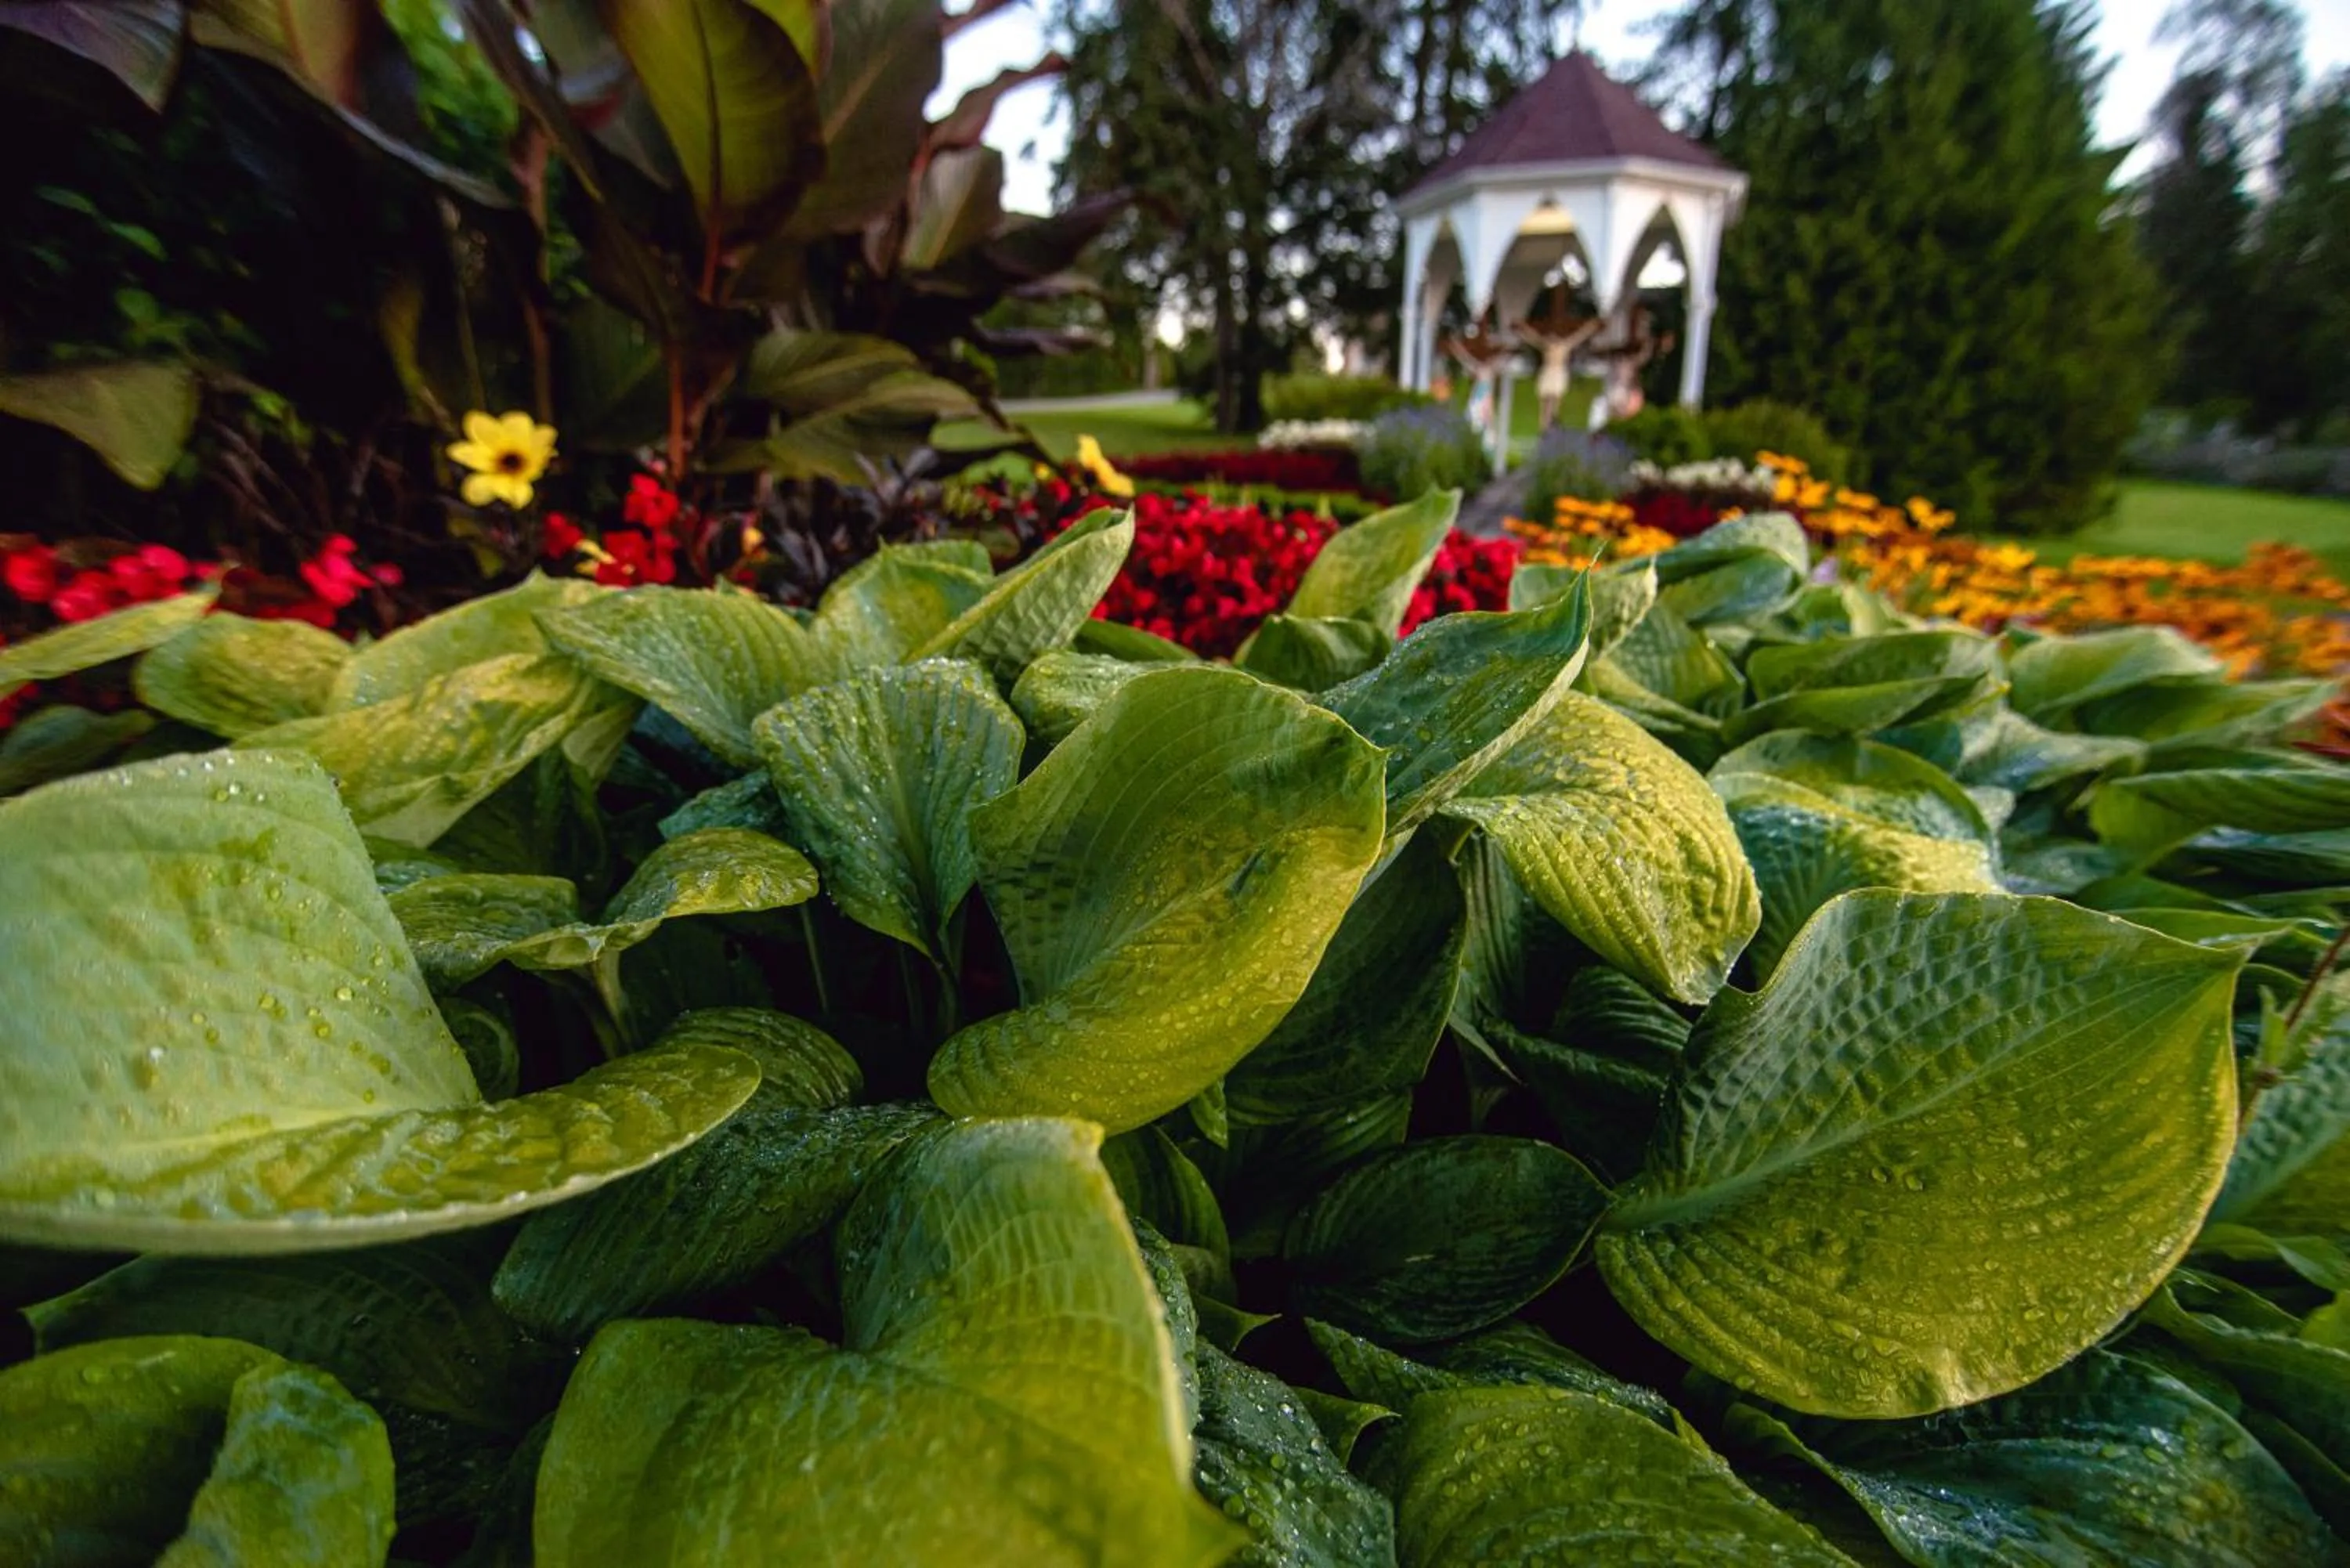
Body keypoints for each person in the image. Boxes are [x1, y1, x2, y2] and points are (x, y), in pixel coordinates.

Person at [1512, 304, 1601, 432]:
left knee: (1553, 344)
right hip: (1559, 350)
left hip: (1552, 350)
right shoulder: (1560, 389)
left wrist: (1524, 333)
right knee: (1568, 342)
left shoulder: (1542, 389)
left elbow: (1541, 349)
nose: (1549, 408)